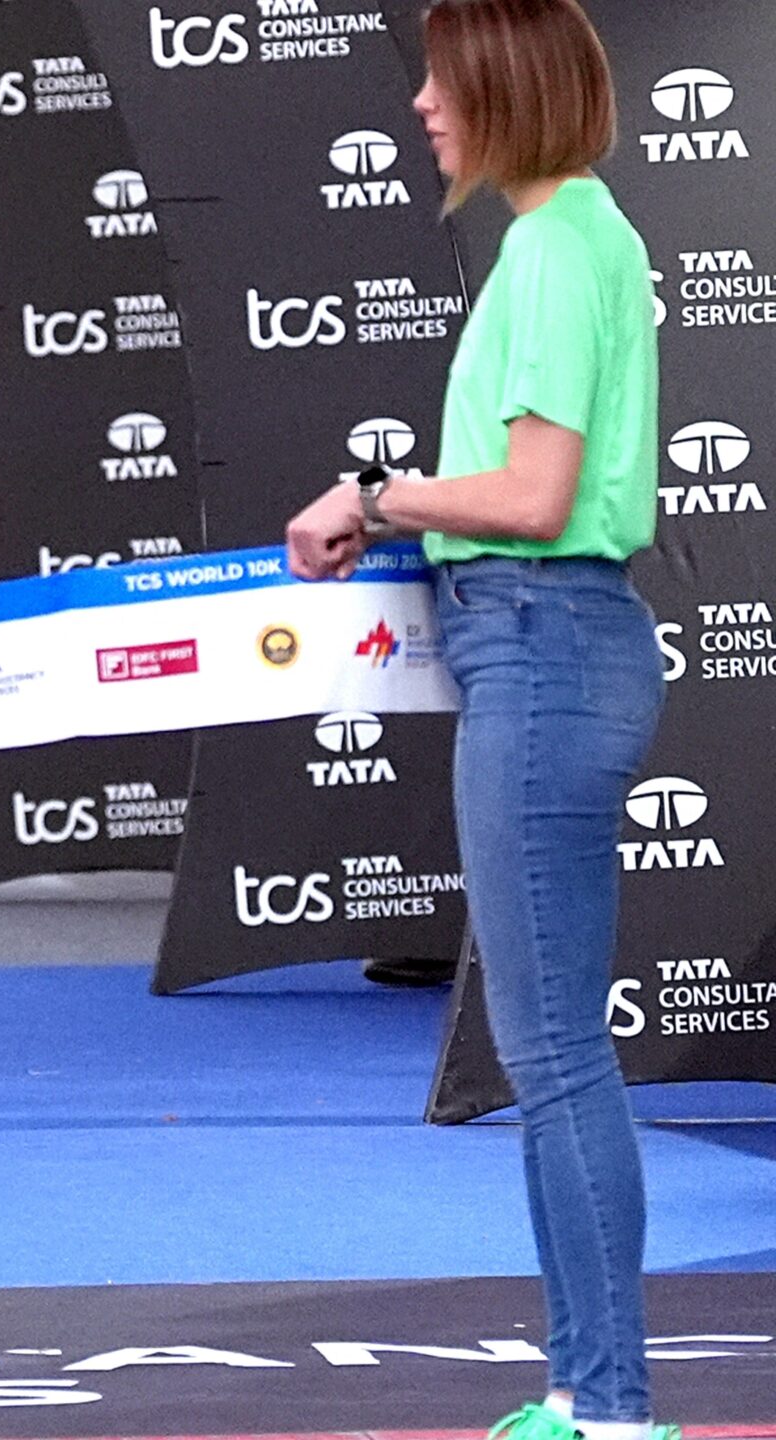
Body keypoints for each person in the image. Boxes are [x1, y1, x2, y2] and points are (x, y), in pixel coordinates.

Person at [285, 5, 669, 1438]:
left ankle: (609, 1407)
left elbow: (533, 497)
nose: (423, 107)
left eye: (443, 83)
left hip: (544, 647)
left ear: (504, 87)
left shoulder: (557, 249)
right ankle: (579, 1393)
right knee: (550, 1047)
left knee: (555, 1052)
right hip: (552, 644)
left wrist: (372, 496)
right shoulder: (580, 238)